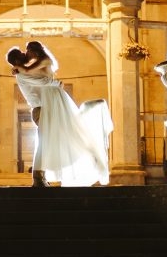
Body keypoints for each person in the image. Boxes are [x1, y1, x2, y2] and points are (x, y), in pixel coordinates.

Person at [7, 41, 111, 187]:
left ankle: (43, 175)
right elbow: (43, 81)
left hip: (49, 106)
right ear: (17, 60)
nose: (25, 54)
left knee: (63, 136)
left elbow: (37, 75)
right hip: (42, 109)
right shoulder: (22, 74)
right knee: (47, 141)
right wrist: (56, 84)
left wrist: (19, 68)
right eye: (22, 54)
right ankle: (38, 177)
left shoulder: (34, 65)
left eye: (26, 51)